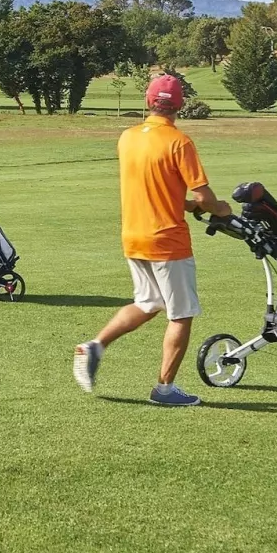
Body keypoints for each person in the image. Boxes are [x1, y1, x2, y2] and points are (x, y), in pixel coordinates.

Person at [73, 73, 232, 405]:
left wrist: (186, 204)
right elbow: (204, 195)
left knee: (148, 302)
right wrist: (220, 209)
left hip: (134, 236)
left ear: (148, 102)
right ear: (180, 105)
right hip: (167, 241)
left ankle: (95, 346)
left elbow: (157, 186)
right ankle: (164, 389)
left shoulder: (127, 138)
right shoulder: (179, 142)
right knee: (181, 314)